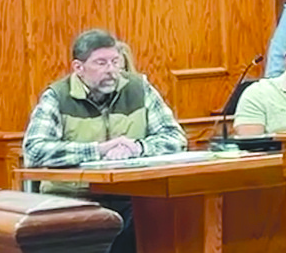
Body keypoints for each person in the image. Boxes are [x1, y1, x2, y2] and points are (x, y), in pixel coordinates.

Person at [22, 29, 187, 253]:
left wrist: (139, 148)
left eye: (115, 62)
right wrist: (97, 150)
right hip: (73, 199)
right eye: (101, 63)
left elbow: (175, 137)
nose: (111, 71)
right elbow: (34, 150)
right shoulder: (57, 97)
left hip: (131, 198)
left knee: (165, 224)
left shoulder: (139, 88)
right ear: (78, 68)